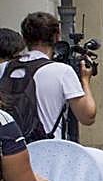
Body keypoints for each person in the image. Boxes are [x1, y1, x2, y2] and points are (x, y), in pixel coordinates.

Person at [0, 12, 97, 141]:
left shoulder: (4, 68)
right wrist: (85, 80)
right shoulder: (61, 71)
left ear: (24, 39)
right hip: (48, 151)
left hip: (11, 152)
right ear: (57, 37)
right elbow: (87, 117)